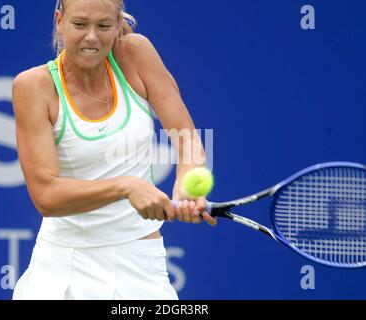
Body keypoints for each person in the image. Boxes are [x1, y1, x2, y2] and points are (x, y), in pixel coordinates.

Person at [12, 0, 216, 300]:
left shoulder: (135, 54)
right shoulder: (33, 86)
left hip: (140, 262)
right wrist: (127, 187)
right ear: (59, 20)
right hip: (62, 266)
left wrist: (187, 182)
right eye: (80, 24)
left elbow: (187, 137)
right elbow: (46, 196)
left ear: (118, 24)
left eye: (104, 26)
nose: (92, 37)